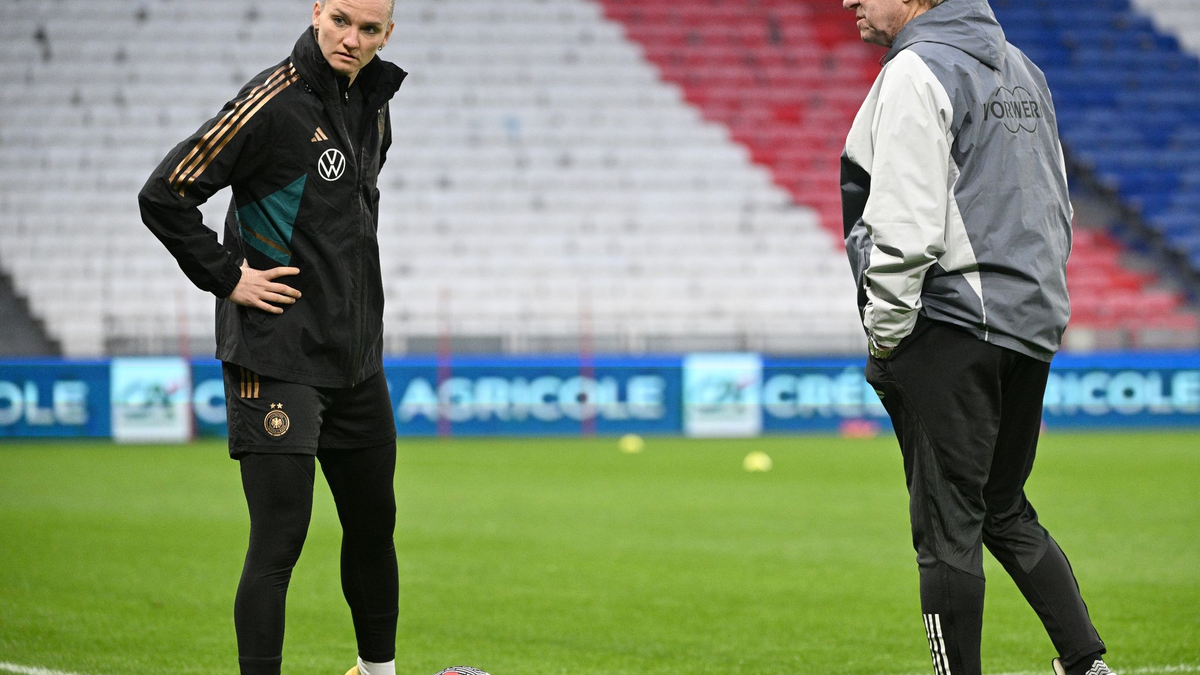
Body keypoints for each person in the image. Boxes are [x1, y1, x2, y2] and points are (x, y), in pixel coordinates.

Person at [839, 1, 1111, 675]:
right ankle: (1086, 664)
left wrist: (886, 334)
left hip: (951, 323)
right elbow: (1056, 204)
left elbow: (904, 223)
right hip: (1028, 320)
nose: (849, 0)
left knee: (946, 532)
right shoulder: (1024, 69)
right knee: (1003, 507)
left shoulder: (915, 70)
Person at [138, 1, 405, 674]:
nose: (352, 38)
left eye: (369, 29)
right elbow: (164, 193)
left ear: (387, 34)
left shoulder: (373, 102)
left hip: (355, 358)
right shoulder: (271, 102)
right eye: (341, 18)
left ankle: (379, 672)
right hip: (274, 354)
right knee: (280, 540)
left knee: (374, 528)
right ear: (316, 10)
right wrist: (229, 277)